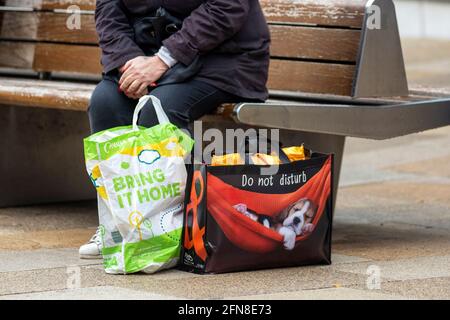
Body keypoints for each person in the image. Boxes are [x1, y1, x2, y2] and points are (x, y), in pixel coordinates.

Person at [79, 0, 271, 258]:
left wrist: (163, 60)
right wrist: (128, 62)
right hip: (145, 57)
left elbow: (227, 7)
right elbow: (108, 10)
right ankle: (118, 226)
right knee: (105, 103)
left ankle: (178, 227)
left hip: (222, 60)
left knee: (157, 109)